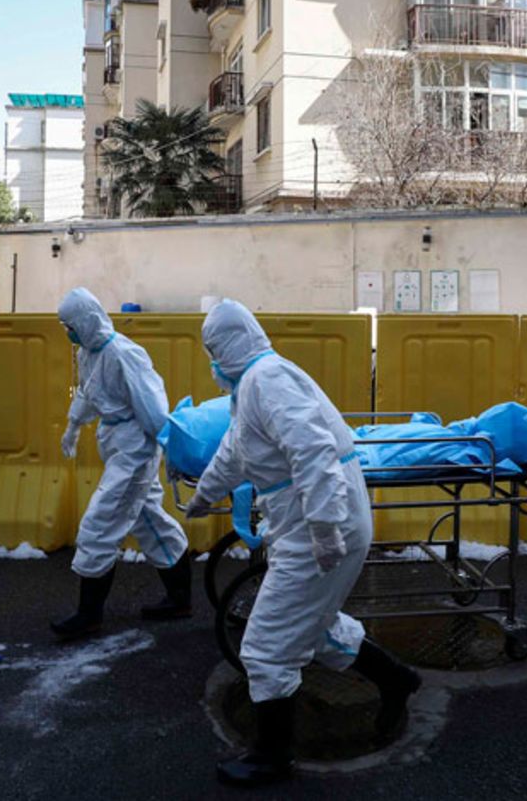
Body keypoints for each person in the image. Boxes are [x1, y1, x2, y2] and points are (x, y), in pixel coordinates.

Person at [185, 299, 421, 787]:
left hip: (318, 524)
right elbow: (235, 450)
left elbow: (314, 450)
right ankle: (396, 679)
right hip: (309, 522)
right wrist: (205, 495)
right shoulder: (254, 385)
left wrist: (324, 526)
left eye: (211, 349)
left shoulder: (266, 380)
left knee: (266, 645)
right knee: (312, 628)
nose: (210, 361)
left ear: (226, 346)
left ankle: (272, 755)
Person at [52, 287, 192, 641]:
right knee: (148, 521)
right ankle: (180, 598)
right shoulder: (89, 352)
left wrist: (169, 449)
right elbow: (87, 392)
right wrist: (73, 424)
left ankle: (89, 615)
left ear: (85, 320)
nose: (66, 330)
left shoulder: (123, 354)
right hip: (118, 444)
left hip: (134, 452)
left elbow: (153, 408)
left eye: (69, 323)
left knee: (100, 523)